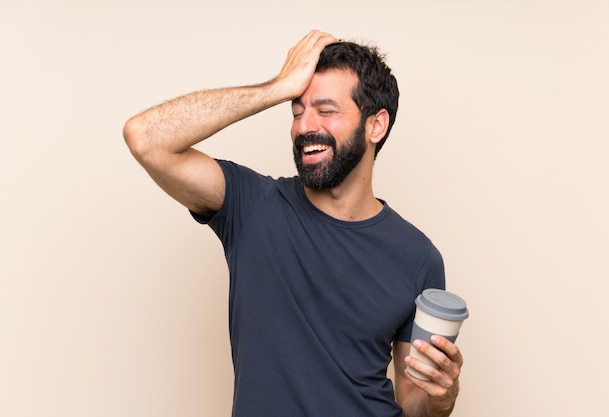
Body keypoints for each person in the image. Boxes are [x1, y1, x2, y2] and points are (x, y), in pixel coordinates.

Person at [123, 29, 463, 417]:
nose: (304, 127)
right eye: (297, 110)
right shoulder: (251, 206)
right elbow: (145, 137)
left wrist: (441, 396)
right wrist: (277, 87)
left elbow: (414, 403)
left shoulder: (419, 257)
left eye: (326, 110)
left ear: (376, 125)